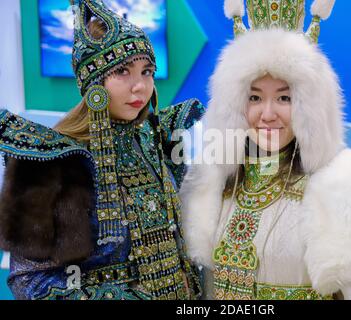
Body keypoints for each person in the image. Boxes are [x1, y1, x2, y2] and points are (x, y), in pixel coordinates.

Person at [180, 0, 351, 300]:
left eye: (284, 98)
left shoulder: (345, 183)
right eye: (255, 98)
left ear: (309, 105)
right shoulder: (212, 181)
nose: (268, 114)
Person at [0, 0, 204, 300]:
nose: (140, 86)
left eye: (147, 71)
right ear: (94, 82)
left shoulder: (158, 138)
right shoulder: (53, 161)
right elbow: (29, 280)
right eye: (122, 71)